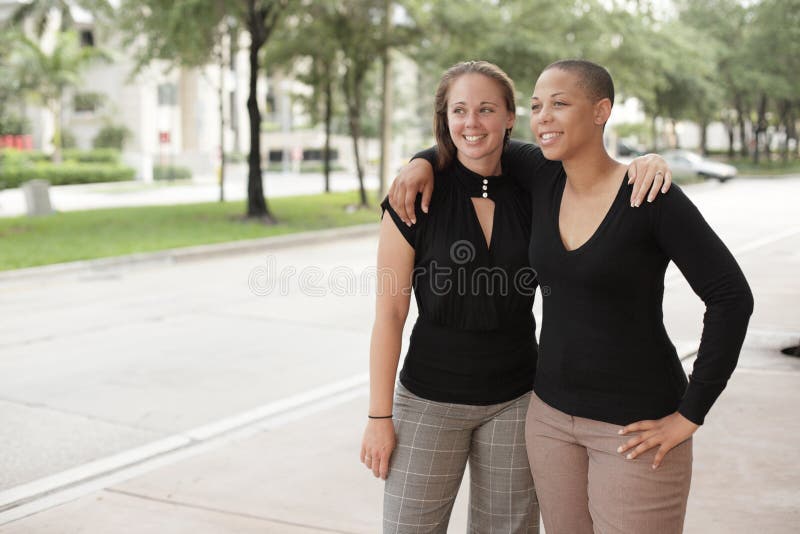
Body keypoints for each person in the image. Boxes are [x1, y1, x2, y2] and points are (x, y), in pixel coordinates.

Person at [390, 59, 754, 534]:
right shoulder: (542, 176)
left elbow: (731, 298)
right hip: (549, 421)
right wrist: (420, 161)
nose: (543, 116)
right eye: (537, 105)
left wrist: (691, 414)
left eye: (560, 104)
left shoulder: (650, 196)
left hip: (634, 427)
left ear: (601, 111)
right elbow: (472, 138)